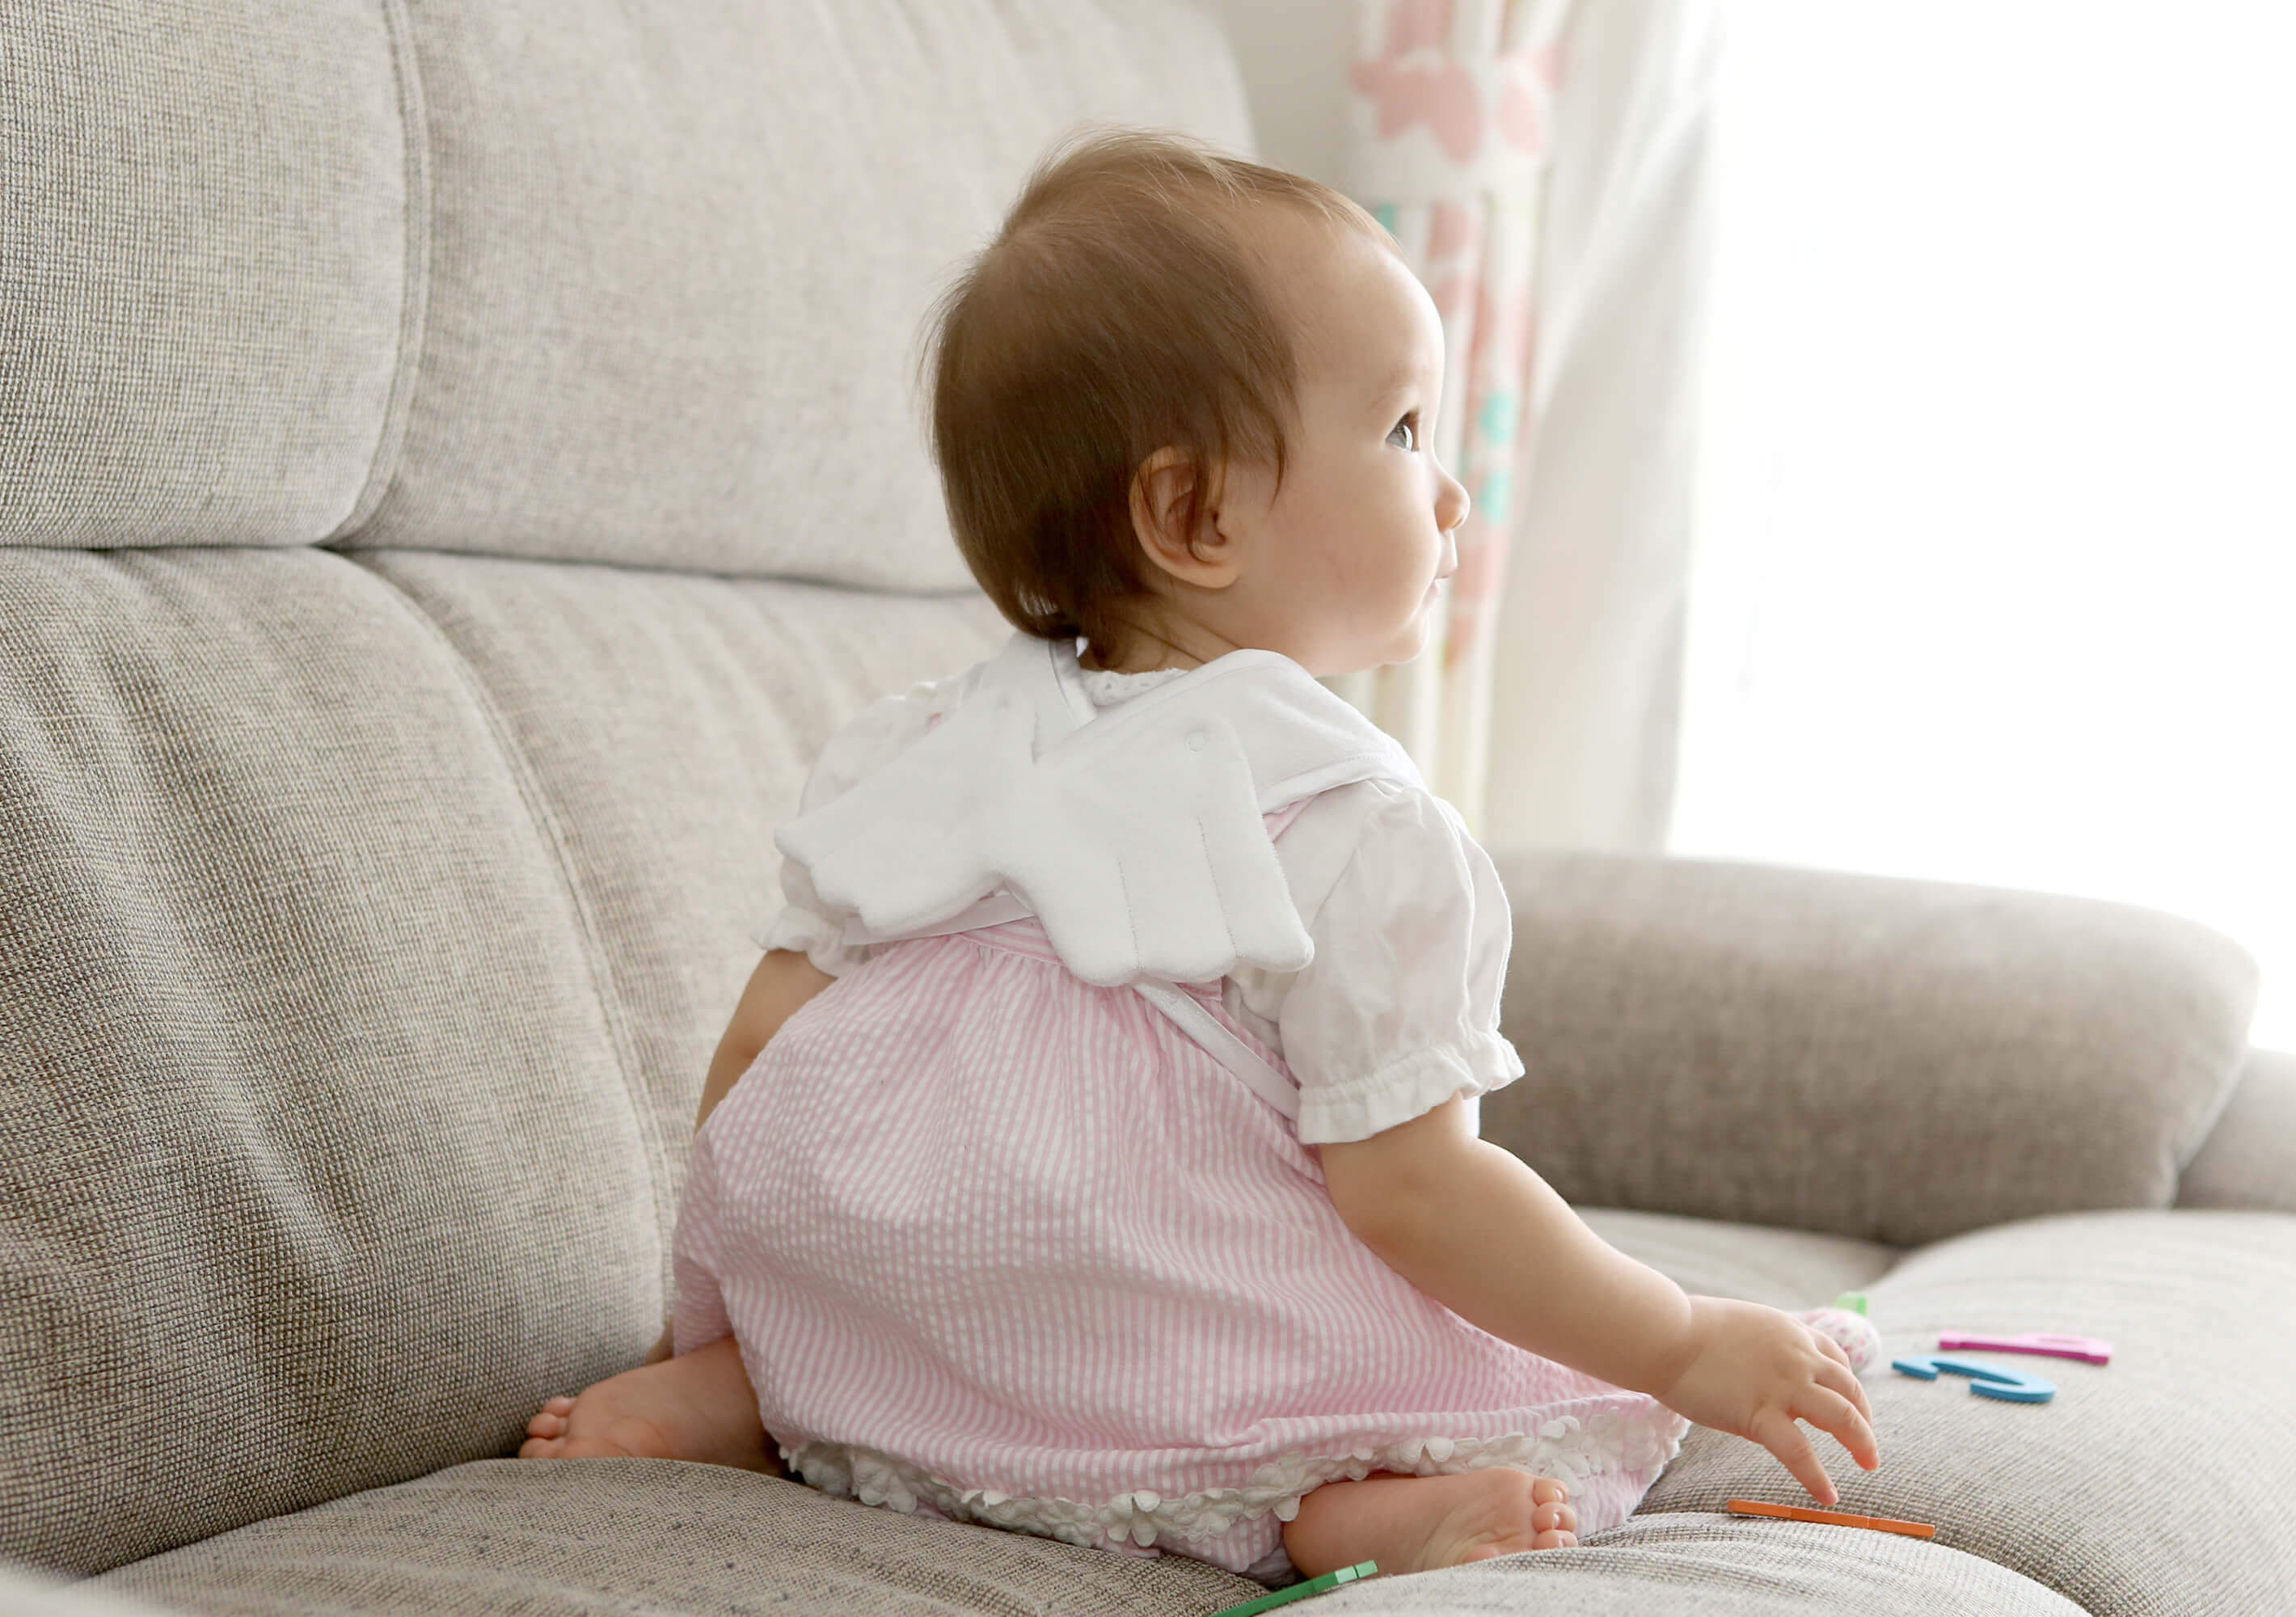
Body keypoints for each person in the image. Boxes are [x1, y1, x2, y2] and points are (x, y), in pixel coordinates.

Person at [516, 125, 1879, 1590]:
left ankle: (760, 1395)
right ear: (1195, 515)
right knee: (1311, 1336)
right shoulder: (1349, 819)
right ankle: (1326, 1506)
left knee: (861, 1303)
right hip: (1130, 1308)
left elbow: (765, 1046)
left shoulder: (917, 744)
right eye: (1407, 431)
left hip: (908, 1292)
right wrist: (1676, 1339)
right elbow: (1412, 1193)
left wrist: (710, 1321)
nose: (1453, 492)